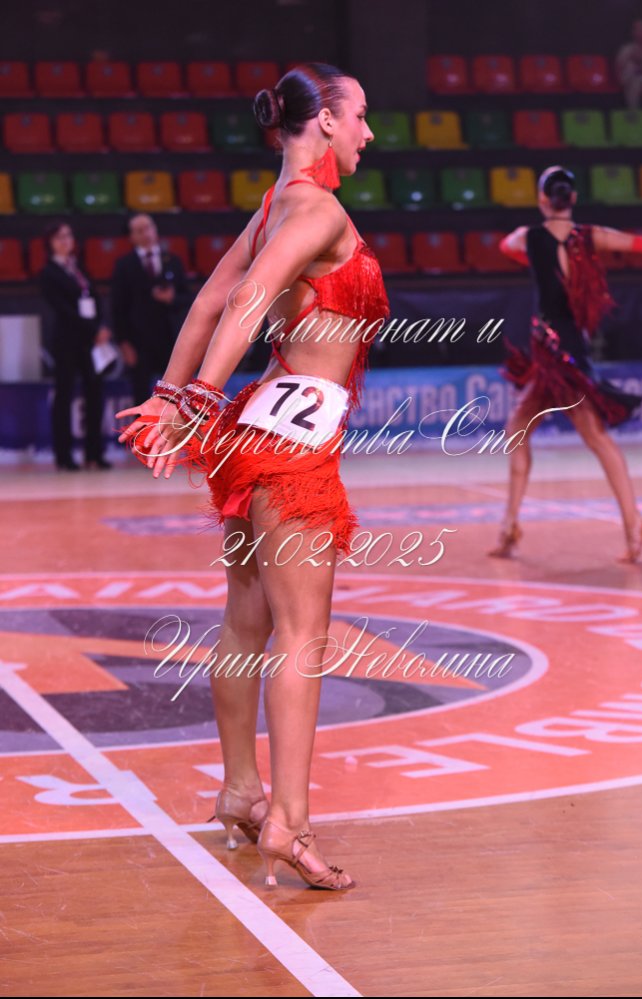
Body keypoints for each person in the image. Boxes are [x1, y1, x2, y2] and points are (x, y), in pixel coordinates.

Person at [115, 63, 389, 890]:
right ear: (326, 121)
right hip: (293, 450)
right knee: (303, 636)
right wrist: (194, 396)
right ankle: (289, 823)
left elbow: (209, 301)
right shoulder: (320, 211)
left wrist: (174, 393)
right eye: (361, 115)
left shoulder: (275, 205)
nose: (369, 132)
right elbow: (244, 302)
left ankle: (241, 787)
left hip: (257, 432)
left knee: (245, 621)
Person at [491, 165, 642, 564]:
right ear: (572, 198)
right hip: (559, 351)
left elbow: (505, 247)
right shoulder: (591, 236)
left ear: (542, 199)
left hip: (557, 354)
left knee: (593, 436)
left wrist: (534, 260)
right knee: (520, 428)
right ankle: (510, 526)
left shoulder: (528, 237)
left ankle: (634, 524)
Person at [39, 221, 113, 471]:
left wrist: (101, 326)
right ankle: (64, 455)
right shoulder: (49, 273)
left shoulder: (78, 267)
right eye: (59, 237)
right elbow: (64, 309)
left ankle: (94, 454)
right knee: (64, 395)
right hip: (67, 342)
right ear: (50, 242)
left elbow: (94, 299)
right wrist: (93, 329)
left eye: (68, 236)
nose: (65, 241)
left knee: (95, 393)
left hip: (90, 343)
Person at [111, 214, 192, 405]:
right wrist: (124, 343)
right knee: (140, 393)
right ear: (132, 237)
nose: (146, 234)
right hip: (139, 341)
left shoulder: (172, 260)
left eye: (148, 228)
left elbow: (188, 298)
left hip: (170, 338)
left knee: (174, 391)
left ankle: (174, 424)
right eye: (139, 231)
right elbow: (118, 308)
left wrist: (172, 299)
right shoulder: (124, 265)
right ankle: (141, 426)